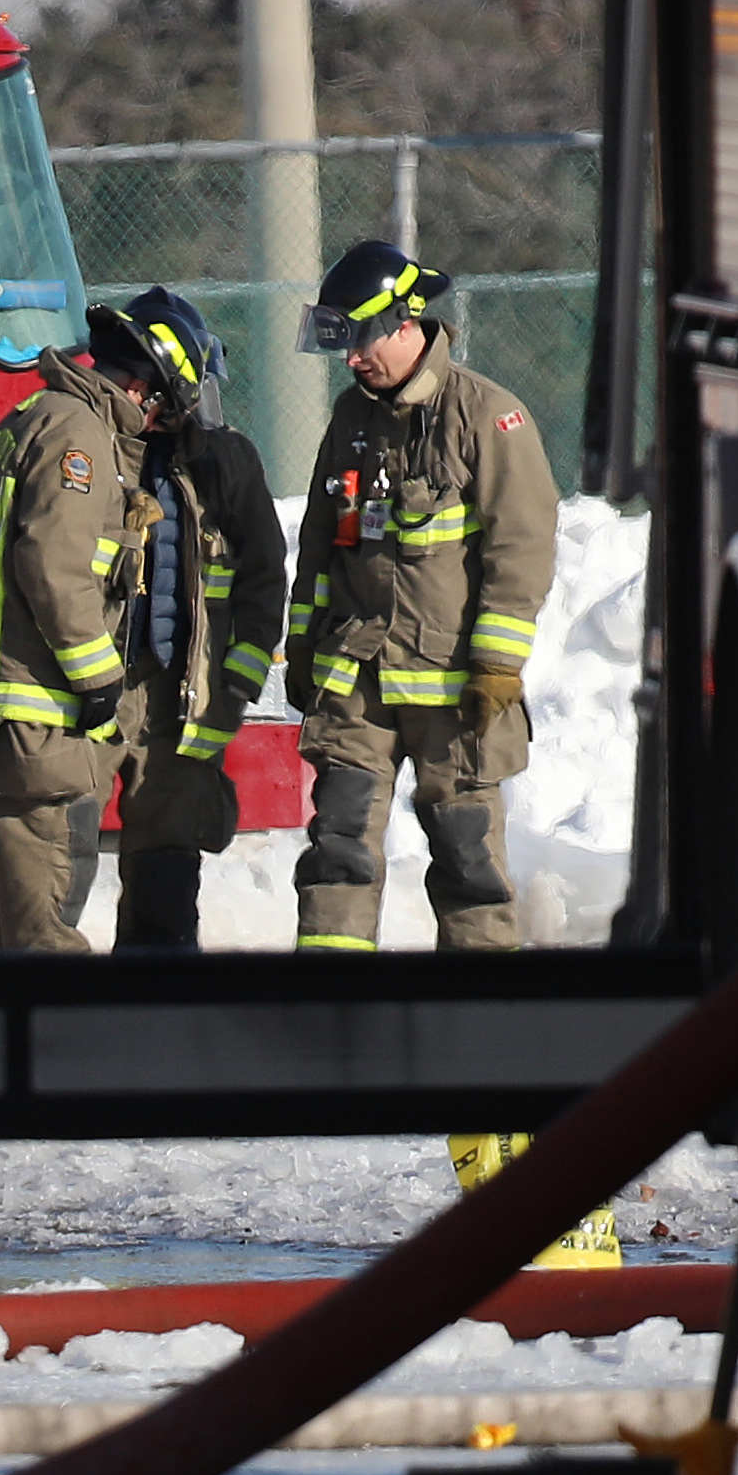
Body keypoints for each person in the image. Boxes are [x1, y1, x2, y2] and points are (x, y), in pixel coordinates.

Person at [286, 239, 558, 953]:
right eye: (340, 344)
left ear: (406, 325)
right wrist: (303, 648)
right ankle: (329, 1020)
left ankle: (478, 1025)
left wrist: (496, 664)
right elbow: (320, 546)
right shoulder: (350, 422)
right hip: (356, 684)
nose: (351, 360)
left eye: (362, 341)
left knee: (469, 861)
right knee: (336, 850)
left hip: (456, 690)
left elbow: (520, 547)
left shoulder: (488, 417)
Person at [67, 288, 284, 951]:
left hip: (181, 693)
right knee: (58, 848)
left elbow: (263, 581)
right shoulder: (81, 445)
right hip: (93, 683)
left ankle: (157, 992)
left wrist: (236, 686)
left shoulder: (227, 463)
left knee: (167, 855)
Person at [0, 315, 165, 955]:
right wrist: (99, 677)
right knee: (46, 938)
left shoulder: (28, 416)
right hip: (39, 722)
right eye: (157, 406)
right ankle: (60, 1055)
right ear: (140, 389)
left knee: (12, 938)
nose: (151, 423)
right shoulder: (79, 433)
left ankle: (2, 1053)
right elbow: (53, 563)